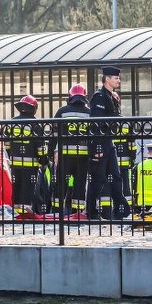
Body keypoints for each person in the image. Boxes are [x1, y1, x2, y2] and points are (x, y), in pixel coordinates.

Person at [86, 66, 132, 220]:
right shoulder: (99, 97)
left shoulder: (111, 96)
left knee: (116, 176)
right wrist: (97, 147)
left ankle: (122, 210)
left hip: (109, 141)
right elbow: (96, 124)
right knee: (98, 179)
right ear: (107, 79)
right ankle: (91, 212)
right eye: (115, 78)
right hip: (101, 143)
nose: (118, 80)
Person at [5, 94, 51, 214]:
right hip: (30, 165)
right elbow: (40, 148)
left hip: (14, 163)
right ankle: (25, 213)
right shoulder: (35, 124)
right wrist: (44, 161)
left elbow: (7, 145)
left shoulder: (12, 122)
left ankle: (16, 213)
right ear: (34, 108)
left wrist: (11, 157)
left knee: (16, 188)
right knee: (28, 189)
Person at [51, 83, 91, 214]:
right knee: (80, 185)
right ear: (84, 96)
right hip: (83, 156)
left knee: (61, 184)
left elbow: (53, 135)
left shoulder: (62, 111)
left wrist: (51, 153)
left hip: (65, 155)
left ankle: (57, 212)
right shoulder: (89, 112)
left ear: (70, 96)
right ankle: (77, 213)